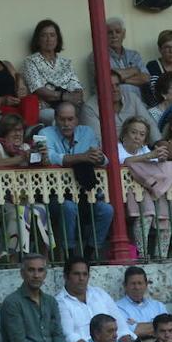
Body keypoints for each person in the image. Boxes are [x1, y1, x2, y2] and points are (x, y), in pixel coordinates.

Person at [41, 102, 114, 257]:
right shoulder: (46, 133)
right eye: (62, 119)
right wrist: (82, 157)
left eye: (70, 119)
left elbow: (101, 159)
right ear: (55, 118)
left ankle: (90, 252)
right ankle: (70, 253)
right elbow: (51, 157)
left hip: (86, 193)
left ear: (77, 120)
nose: (66, 124)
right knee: (68, 207)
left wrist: (99, 158)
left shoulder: (86, 132)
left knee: (107, 210)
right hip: (56, 195)